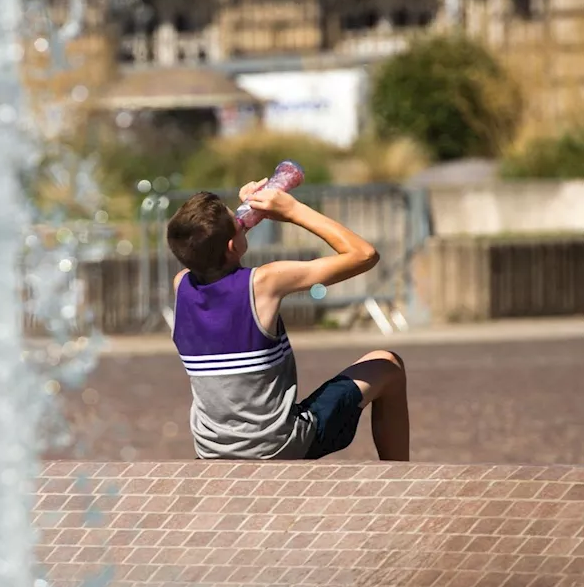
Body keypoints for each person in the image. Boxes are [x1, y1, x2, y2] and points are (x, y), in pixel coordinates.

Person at [165, 179, 409, 461]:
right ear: (232, 245)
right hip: (278, 446)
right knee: (388, 364)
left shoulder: (181, 285)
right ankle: (399, 475)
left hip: (212, 449)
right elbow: (364, 255)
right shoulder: (263, 283)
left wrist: (244, 218)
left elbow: (208, 249)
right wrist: (292, 210)